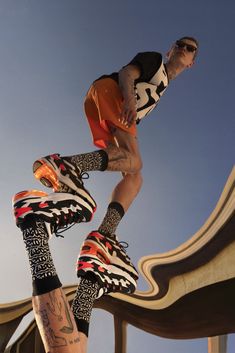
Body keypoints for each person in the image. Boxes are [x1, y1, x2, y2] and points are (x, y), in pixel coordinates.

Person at [30, 36, 198, 348]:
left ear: (192, 62)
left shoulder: (164, 84)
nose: (184, 50)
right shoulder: (155, 62)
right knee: (135, 162)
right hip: (112, 94)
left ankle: (103, 239)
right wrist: (130, 102)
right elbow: (126, 74)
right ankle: (66, 165)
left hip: (102, 102)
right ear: (171, 50)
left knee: (134, 178)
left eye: (191, 49)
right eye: (181, 45)